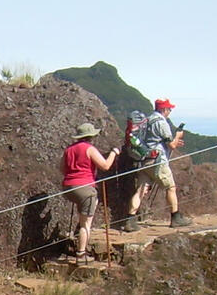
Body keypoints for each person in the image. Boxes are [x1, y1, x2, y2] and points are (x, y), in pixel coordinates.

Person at [124, 98, 191, 231]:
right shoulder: (161, 122)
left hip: (145, 159)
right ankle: (175, 217)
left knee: (141, 190)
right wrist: (177, 136)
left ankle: (129, 220)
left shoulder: (148, 120)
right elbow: (171, 144)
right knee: (170, 188)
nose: (170, 111)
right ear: (163, 109)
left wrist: (174, 141)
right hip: (158, 160)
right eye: (169, 109)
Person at [61, 123, 119, 261]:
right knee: (86, 224)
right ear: (91, 136)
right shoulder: (89, 149)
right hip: (85, 187)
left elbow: (62, 169)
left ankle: (79, 232)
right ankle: (81, 253)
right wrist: (114, 153)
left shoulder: (68, 149)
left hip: (68, 187)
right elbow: (105, 166)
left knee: (87, 208)